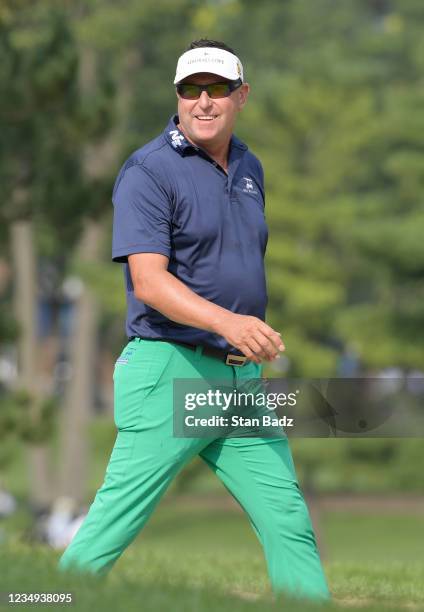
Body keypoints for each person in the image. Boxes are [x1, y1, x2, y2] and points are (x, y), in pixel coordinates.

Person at [58, 39, 330, 602]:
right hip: (169, 369)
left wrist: (245, 333)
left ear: (242, 96)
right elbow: (151, 283)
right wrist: (230, 322)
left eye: (217, 89)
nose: (203, 101)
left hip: (239, 382)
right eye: (190, 89)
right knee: (113, 525)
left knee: (288, 520)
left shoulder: (250, 167)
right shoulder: (148, 171)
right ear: (177, 96)